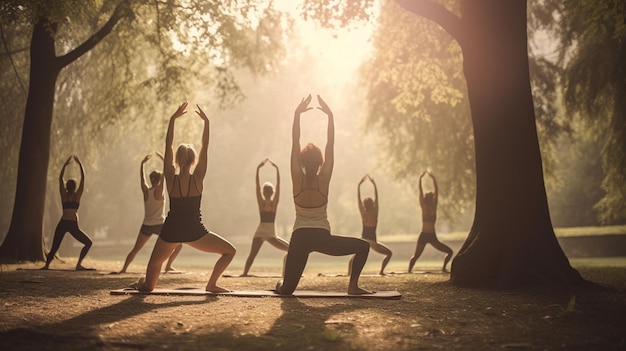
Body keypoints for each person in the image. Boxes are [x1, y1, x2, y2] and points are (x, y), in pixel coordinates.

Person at [133, 102, 236, 292]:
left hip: (171, 232)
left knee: (148, 286)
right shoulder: (198, 177)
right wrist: (206, 123)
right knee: (230, 252)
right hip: (195, 232)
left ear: (176, 161)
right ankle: (211, 284)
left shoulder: (170, 178)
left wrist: (173, 119)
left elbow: (168, 145)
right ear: (193, 161)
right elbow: (205, 146)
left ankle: (142, 283)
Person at [275, 94, 371, 295]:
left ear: (301, 162)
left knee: (286, 291)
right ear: (320, 162)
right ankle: (352, 286)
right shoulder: (324, 178)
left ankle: (281, 285)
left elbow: (295, 142)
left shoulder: (296, 178)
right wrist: (330, 116)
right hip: (322, 237)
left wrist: (296, 115)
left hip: (299, 237)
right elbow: (330, 144)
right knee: (363, 247)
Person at [119, 152, 182, 274]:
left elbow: (142, 178)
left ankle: (123, 269)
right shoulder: (159, 190)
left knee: (135, 249)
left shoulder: (146, 192)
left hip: (146, 225)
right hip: (160, 225)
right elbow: (166, 173)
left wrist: (142, 164)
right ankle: (168, 266)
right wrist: (164, 160)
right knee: (178, 244)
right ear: (158, 180)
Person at [42, 155, 93, 270]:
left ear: (67, 186)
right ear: (74, 187)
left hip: (68, 224)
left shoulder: (66, 196)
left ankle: (49, 265)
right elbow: (83, 179)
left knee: (57, 246)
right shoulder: (76, 196)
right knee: (56, 246)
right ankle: (48, 265)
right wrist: (79, 164)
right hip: (68, 223)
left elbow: (60, 179)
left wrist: (65, 165)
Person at [241, 158, 289, 276]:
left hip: (265, 233)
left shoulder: (262, 202)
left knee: (252, 254)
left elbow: (257, 185)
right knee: (291, 250)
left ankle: (245, 273)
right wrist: (277, 170)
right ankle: (286, 273)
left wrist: (258, 169)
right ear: (272, 192)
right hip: (268, 233)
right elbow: (278, 186)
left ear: (264, 192)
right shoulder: (273, 204)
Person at [408, 170, 453, 272]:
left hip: (432, 236)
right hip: (423, 235)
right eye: (431, 197)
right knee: (415, 256)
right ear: (428, 199)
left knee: (449, 252)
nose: (433, 198)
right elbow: (421, 192)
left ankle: (443, 268)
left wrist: (432, 179)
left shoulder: (433, 207)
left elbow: (437, 192)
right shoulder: (424, 207)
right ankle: (409, 271)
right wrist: (421, 179)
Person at [353, 174, 393, 275]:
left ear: (364, 205)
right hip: (370, 240)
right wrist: (374, 184)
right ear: (372, 204)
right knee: (389, 254)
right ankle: (381, 271)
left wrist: (359, 185)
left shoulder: (364, 214)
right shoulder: (375, 213)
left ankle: (349, 273)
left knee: (355, 256)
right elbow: (377, 198)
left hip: (366, 239)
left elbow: (358, 199)